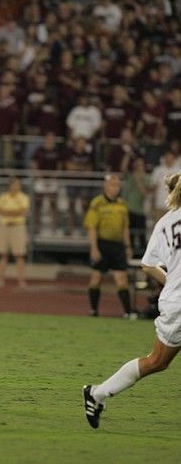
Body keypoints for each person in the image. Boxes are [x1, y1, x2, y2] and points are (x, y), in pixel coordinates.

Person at [83, 172, 181, 429]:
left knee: (156, 362)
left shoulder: (164, 223)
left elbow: (148, 265)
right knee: (156, 361)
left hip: (174, 300)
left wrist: (171, 281)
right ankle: (97, 393)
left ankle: (97, 393)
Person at [83, 174, 135, 318]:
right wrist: (94, 248)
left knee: (122, 279)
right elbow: (92, 228)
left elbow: (125, 228)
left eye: (118, 185)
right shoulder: (97, 203)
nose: (116, 188)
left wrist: (127, 246)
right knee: (96, 278)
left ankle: (127, 312)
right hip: (102, 244)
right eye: (113, 185)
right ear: (105, 186)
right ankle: (93, 310)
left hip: (117, 246)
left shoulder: (122, 204)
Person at [0, 177, 30, 288]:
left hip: (18, 226)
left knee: (19, 254)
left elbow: (23, 211)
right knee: (3, 254)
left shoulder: (23, 197)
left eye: (18, 185)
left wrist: (8, 212)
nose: (16, 187)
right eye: (14, 185)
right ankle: (0, 280)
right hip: (5, 226)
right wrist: (12, 212)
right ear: (10, 186)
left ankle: (21, 280)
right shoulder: (4, 197)